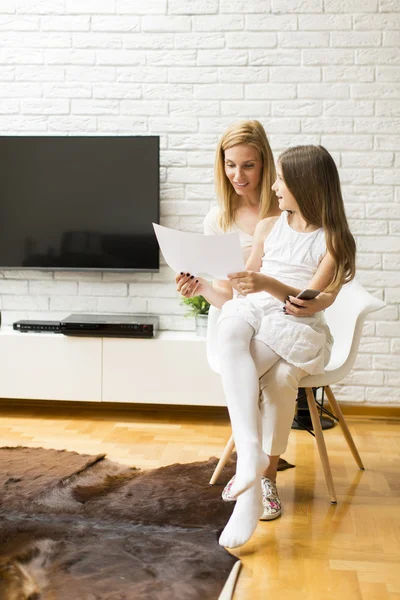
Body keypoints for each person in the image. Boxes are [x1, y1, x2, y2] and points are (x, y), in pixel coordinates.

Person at [178, 144, 356, 548]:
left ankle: (253, 481)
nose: (274, 187)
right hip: (256, 308)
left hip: (295, 323)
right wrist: (205, 285)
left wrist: (266, 284)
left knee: (274, 378)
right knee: (230, 331)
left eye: (281, 180)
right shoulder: (268, 227)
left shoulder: (332, 240)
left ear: (306, 187)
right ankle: (253, 459)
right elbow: (242, 287)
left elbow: (308, 301)